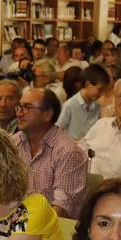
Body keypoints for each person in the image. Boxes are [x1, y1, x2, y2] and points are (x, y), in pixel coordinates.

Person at [13, 86, 88, 218]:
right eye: (19, 107)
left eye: (27, 108)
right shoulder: (15, 142)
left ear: (47, 115)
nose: (19, 113)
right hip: (14, 222)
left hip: (51, 231)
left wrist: (25, 230)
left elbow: (61, 210)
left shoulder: (68, 153)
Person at [57, 63, 110, 139]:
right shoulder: (70, 104)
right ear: (88, 84)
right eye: (100, 89)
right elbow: (59, 130)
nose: (102, 94)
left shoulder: (97, 106)